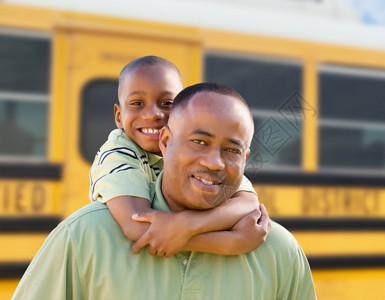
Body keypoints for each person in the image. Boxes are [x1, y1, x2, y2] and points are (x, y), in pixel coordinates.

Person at [12, 83, 316, 299]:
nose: (214, 162)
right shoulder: (84, 237)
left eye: (231, 150)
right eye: (199, 142)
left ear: (245, 159)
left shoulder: (278, 251)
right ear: (166, 141)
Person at [90, 56, 264, 256]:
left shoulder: (188, 150)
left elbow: (248, 202)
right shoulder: (117, 153)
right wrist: (230, 243)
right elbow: (137, 225)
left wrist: (187, 224)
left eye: (166, 103)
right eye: (137, 103)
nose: (152, 114)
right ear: (119, 116)